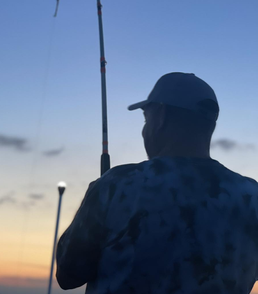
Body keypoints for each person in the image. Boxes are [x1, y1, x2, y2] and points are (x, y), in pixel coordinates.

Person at [56, 72, 258, 294]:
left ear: (161, 116)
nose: (144, 130)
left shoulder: (117, 185)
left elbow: (68, 275)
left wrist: (96, 196)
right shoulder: (251, 196)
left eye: (146, 119)